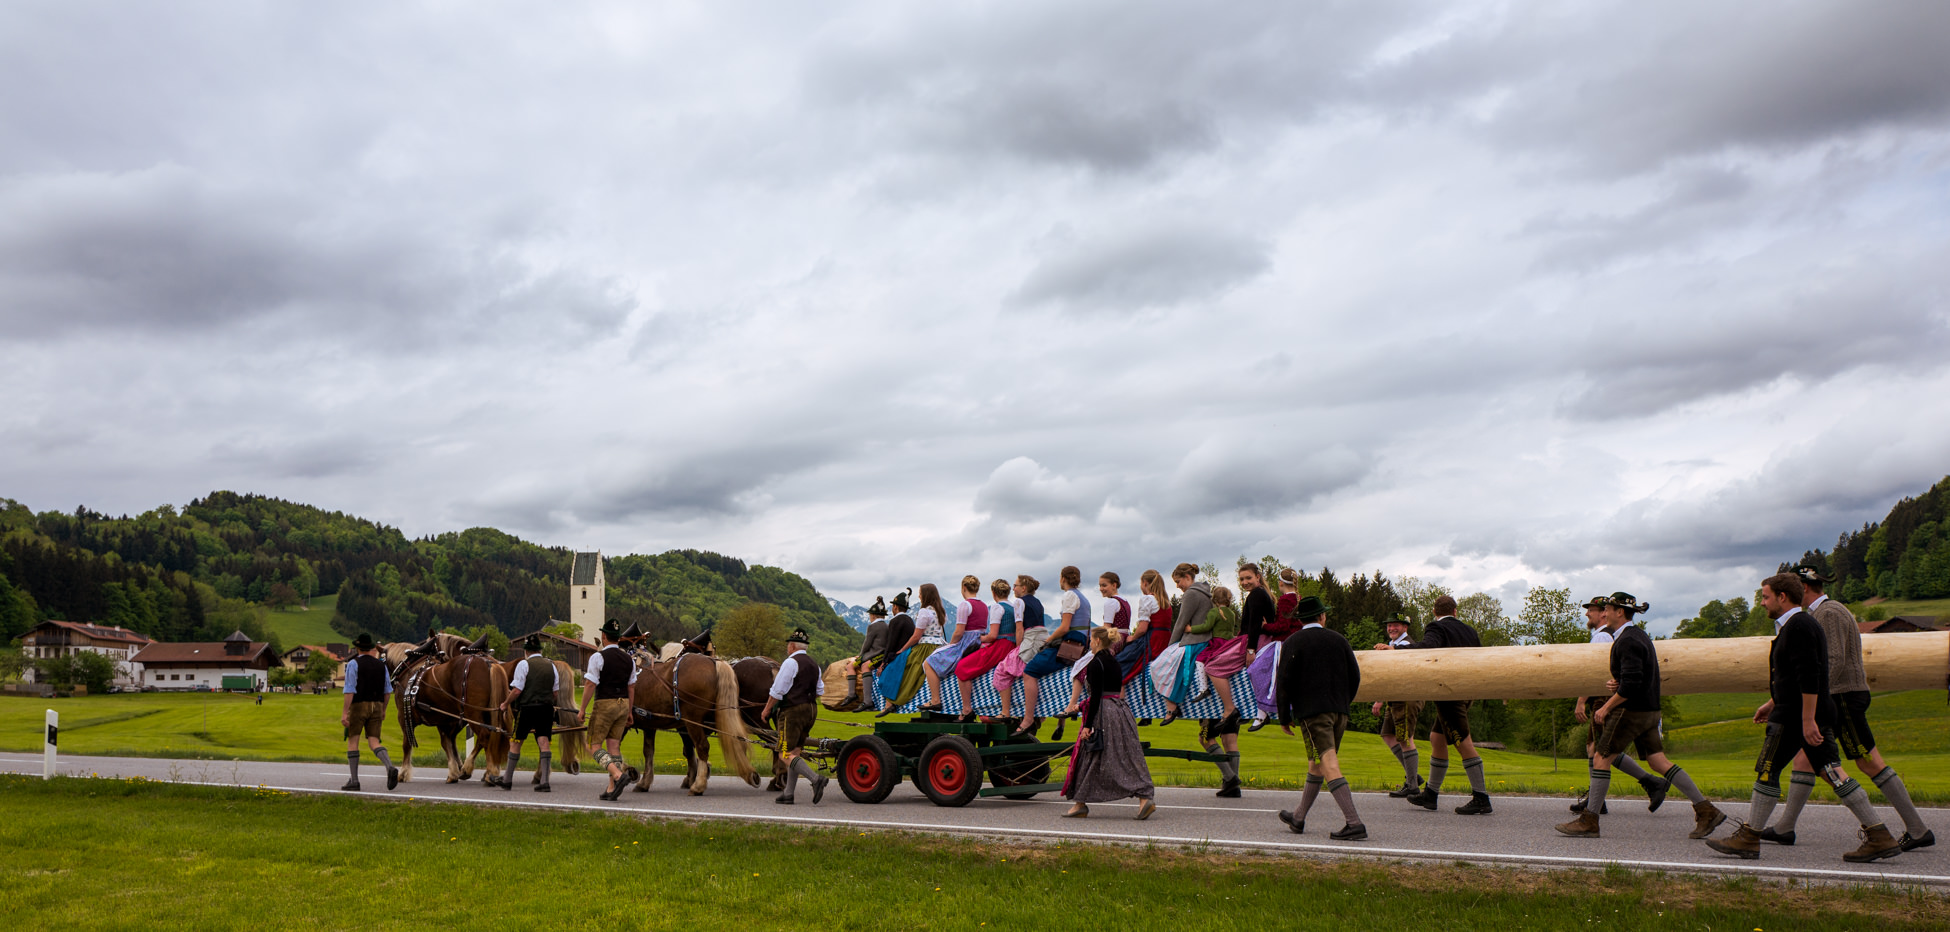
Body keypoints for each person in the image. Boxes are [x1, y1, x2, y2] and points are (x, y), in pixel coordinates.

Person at [1705, 573, 1901, 862]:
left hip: (1795, 717)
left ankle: (1748, 838)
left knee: (1768, 769)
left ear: (1782, 597)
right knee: (1831, 771)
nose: (1763, 603)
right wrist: (1772, 703)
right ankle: (1879, 834)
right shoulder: (1799, 625)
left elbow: (1810, 676)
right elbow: (1795, 675)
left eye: (1766, 597)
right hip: (1799, 712)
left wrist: (1807, 720)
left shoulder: (1798, 626)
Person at [1759, 564, 1933, 852]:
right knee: (1804, 760)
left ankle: (1917, 829)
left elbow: (1834, 662)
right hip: (1835, 697)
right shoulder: (1821, 614)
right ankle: (1785, 827)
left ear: (1803, 588)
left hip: (1843, 697)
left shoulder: (1830, 613)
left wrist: (1810, 699)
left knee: (1868, 762)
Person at [1555, 593, 1727, 840]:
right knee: (1658, 761)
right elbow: (1636, 678)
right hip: (1649, 710)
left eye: (1608, 609)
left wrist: (1606, 707)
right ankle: (1706, 809)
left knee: (1601, 758)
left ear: (1619, 612)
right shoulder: (1637, 636)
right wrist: (1618, 682)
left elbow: (1632, 685)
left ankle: (1590, 820)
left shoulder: (1627, 640)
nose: (1605, 613)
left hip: (1631, 711)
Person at [1376, 595, 1492, 815]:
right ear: (1455, 611)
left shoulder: (1437, 627)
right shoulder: (1469, 631)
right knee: (1436, 738)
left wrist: (1396, 650)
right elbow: (1480, 658)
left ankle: (1481, 797)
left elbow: (1426, 648)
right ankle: (1431, 794)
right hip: (1468, 690)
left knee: (1462, 741)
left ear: (1434, 612)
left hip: (1449, 692)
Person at [1569, 595, 1667, 816]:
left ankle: (1649, 782)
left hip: (1604, 697)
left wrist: (1582, 700)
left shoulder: (1602, 637)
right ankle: (1597, 799)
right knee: (1594, 748)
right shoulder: (1608, 635)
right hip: (1605, 696)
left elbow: (1595, 672)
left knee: (1603, 750)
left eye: (1593, 610)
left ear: (1605, 613)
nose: (1588, 613)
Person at [1275, 601, 1366, 840]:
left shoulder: (1292, 642)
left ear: (1300, 620)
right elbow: (1355, 675)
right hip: (1340, 711)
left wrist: (1284, 716)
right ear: (1322, 617)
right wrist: (1343, 702)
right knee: (1316, 764)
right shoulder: (1339, 639)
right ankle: (1298, 817)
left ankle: (1354, 823)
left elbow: (1283, 682)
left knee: (1328, 763)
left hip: (1313, 713)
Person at [1060, 626, 1157, 820]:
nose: (1089, 642)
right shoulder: (1114, 662)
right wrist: (1081, 706)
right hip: (1120, 711)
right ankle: (1144, 797)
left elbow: (1096, 696)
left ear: (1097, 641)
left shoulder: (1095, 664)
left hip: (1103, 714)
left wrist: (1087, 725)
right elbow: (1111, 691)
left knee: (1089, 756)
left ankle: (1080, 804)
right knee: (1128, 756)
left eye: (1091, 639)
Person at [1012, 566, 1093, 737]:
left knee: (1030, 671)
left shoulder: (1069, 595)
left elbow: (1064, 627)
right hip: (1081, 643)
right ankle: (1056, 720)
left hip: (1071, 642)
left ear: (1063, 578)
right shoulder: (1084, 598)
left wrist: (1048, 641)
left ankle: (1028, 718)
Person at [761, 629, 830, 805]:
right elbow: (820, 691)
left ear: (792, 646)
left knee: (784, 753)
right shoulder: (814, 665)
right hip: (811, 710)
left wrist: (767, 710)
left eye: (788, 645)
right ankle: (788, 793)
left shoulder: (790, 662)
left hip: (792, 712)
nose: (787, 648)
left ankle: (815, 779)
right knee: (795, 752)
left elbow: (777, 690)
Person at [1194, 583, 1249, 797]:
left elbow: (1207, 627)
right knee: (1230, 740)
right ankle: (1232, 786)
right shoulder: (1232, 615)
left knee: (1205, 738)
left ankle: (1230, 777)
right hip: (1233, 697)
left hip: (1213, 704)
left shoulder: (1214, 613)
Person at [579, 620, 641, 802]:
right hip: (623, 704)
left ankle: (618, 775)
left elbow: (590, 684)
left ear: (604, 636)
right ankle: (611, 788)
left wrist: (582, 709)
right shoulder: (628, 659)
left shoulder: (598, 657)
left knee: (593, 745)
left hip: (605, 703)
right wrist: (629, 712)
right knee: (614, 746)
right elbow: (631, 687)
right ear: (619, 638)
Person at [1370, 611, 1423, 797]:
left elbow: (1404, 665)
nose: (1391, 628)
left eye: (1395, 625)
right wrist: (1381, 698)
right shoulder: (1392, 645)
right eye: (1389, 625)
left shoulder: (1406, 645)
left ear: (1405, 627)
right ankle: (1413, 776)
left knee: (1405, 739)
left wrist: (1389, 650)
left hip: (1406, 697)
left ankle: (1412, 786)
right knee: (1388, 735)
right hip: (1395, 697)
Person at [955, 579, 1021, 721]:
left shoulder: (997, 607)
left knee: (962, 667)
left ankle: (966, 708)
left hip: (1000, 646)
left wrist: (979, 639)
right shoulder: (1013, 607)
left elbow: (992, 636)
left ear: (993, 593)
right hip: (1011, 645)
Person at [499, 635, 558, 792]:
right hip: (546, 708)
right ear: (540, 650)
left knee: (515, 742)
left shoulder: (524, 664)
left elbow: (517, 690)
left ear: (526, 651)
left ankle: (507, 779)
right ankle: (544, 781)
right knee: (544, 742)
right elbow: (555, 692)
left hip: (528, 708)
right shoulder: (551, 665)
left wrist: (506, 703)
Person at [340, 633, 398, 792]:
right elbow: (388, 691)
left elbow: (350, 690)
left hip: (359, 705)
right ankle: (389, 766)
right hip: (377, 705)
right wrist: (383, 709)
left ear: (357, 648)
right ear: (371, 647)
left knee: (353, 741)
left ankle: (354, 780)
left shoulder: (353, 664)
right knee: (374, 742)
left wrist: (345, 713)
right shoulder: (381, 665)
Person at [1158, 563, 1213, 726]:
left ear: (1187, 577)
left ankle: (1172, 706)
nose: (1177, 586)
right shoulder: (1205, 593)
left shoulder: (1191, 594)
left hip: (1194, 641)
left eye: (1178, 581)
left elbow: (1181, 622)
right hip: (1205, 640)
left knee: (1162, 665)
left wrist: (1170, 646)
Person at [923, 576, 989, 712]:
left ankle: (935, 700)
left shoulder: (965, 605)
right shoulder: (984, 606)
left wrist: (951, 645)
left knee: (928, 662)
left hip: (967, 642)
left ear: (963, 588)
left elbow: (959, 632)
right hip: (979, 641)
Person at [1237, 564, 1287, 731]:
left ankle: (1249, 709)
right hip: (1257, 638)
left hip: (1257, 640)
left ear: (1257, 577)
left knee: (1221, 665)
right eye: (1242, 579)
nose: (1245, 582)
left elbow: (1255, 623)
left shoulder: (1257, 594)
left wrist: (1251, 649)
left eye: (1248, 578)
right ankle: (1246, 709)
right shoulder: (1259, 593)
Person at [992, 576, 1046, 724]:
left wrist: (1017, 648)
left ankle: (1005, 711)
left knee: (1002, 671)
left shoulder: (1019, 602)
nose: (1013, 589)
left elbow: (1019, 629)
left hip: (1030, 640)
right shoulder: (1038, 602)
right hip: (1042, 639)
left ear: (1023, 588)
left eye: (1015, 585)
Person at [873, 589, 923, 715]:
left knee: (886, 674)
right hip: (910, 651)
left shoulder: (895, 621)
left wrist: (883, 663)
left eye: (893, 606)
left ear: (895, 607)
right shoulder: (909, 620)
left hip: (900, 654)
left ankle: (888, 704)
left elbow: (891, 643)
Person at [844, 597, 892, 707]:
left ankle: (854, 695)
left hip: (874, 656)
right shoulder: (887, 626)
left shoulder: (873, 626)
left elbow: (867, 644)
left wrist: (860, 656)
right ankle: (863, 699)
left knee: (851, 666)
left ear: (873, 615)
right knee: (859, 665)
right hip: (881, 656)